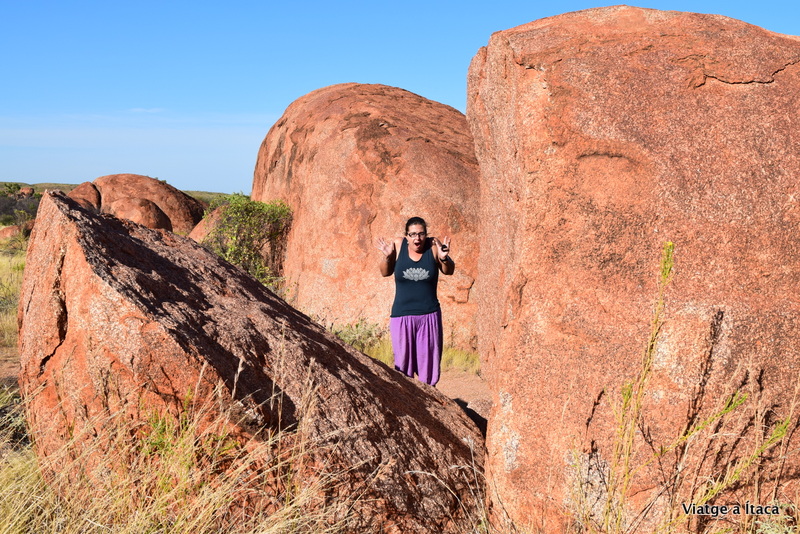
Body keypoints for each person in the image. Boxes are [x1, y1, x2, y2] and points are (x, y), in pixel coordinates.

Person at [376, 217, 454, 386]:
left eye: (421, 234)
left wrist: (444, 258)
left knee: (428, 367)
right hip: (401, 316)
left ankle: (429, 398)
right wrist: (388, 257)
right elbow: (384, 272)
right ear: (407, 235)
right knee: (402, 366)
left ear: (426, 234)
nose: (417, 238)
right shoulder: (398, 245)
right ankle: (405, 399)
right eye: (413, 234)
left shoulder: (433, 246)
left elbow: (449, 271)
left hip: (429, 315)